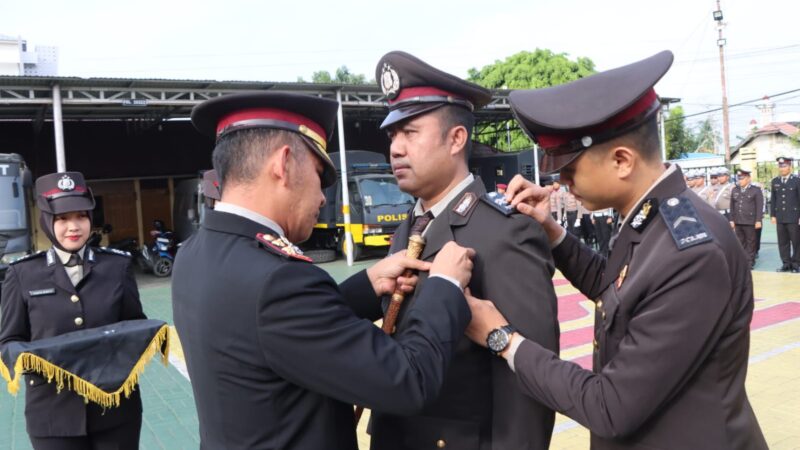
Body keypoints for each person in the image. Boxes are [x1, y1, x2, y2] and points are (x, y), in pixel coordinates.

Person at [463, 50, 767, 449]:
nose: (562, 182)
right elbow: (616, 290)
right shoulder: (652, 217)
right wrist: (551, 229)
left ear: (622, 161)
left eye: (570, 169)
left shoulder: (689, 253)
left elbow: (609, 405)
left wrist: (503, 339)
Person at [172, 91, 476, 450]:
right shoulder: (280, 281)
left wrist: (367, 285)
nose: (321, 197)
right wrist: (444, 284)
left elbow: (268, 329)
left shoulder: (194, 253)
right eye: (319, 176)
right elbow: (409, 381)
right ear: (284, 164)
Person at [360, 51, 559, 450]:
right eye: (392, 135)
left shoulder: (504, 232)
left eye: (410, 132)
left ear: (456, 139)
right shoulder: (409, 230)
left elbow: (527, 387)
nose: (395, 148)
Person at [0, 171, 146, 450]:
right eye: (62, 218)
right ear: (47, 221)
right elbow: (9, 342)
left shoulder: (117, 267)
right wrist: (46, 361)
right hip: (52, 415)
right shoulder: (22, 274)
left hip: (115, 410)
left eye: (81, 216)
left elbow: (134, 327)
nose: (73, 226)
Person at [771, 156, 800, 272]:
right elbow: (773, 199)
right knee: (782, 242)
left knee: (796, 242)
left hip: (794, 217)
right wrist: (773, 215)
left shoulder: (797, 180)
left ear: (790, 167)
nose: (782, 169)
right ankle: (786, 264)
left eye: (784, 166)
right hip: (780, 217)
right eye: (780, 166)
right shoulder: (775, 181)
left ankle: (796, 264)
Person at [731, 168, 764, 268]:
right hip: (738, 220)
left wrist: (758, 220)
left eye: (742, 178)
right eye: (739, 178)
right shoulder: (735, 190)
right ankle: (743, 261)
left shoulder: (755, 190)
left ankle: (750, 261)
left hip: (750, 221)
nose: (740, 181)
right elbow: (732, 206)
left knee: (751, 242)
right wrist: (732, 219)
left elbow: (759, 206)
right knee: (740, 242)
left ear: (748, 178)